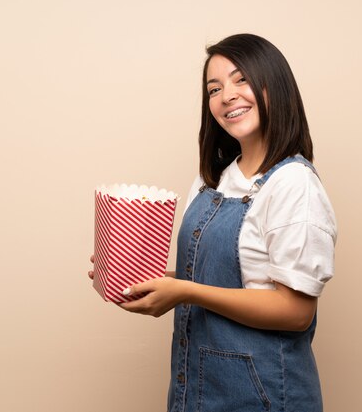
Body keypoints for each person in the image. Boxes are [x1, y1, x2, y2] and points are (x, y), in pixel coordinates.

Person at [88, 33, 337, 412]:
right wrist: (146, 280)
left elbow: (296, 311)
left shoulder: (294, 184)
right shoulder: (212, 180)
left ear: (276, 86)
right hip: (198, 391)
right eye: (214, 88)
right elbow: (209, 278)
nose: (227, 96)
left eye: (241, 80)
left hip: (265, 397)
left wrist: (186, 292)